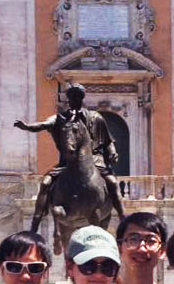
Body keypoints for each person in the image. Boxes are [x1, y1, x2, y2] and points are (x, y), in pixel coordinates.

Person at [16, 81, 126, 232]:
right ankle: (35, 224)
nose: (73, 99)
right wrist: (27, 127)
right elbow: (43, 125)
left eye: (76, 96)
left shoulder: (95, 118)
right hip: (66, 163)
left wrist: (112, 152)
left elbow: (107, 141)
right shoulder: (61, 118)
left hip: (95, 161)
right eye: (71, 96)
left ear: (82, 98)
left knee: (112, 183)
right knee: (46, 183)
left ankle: (122, 217)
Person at [112, 212, 174, 284]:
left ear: (162, 251)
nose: (142, 248)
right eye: (133, 239)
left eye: (151, 241)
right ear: (119, 248)